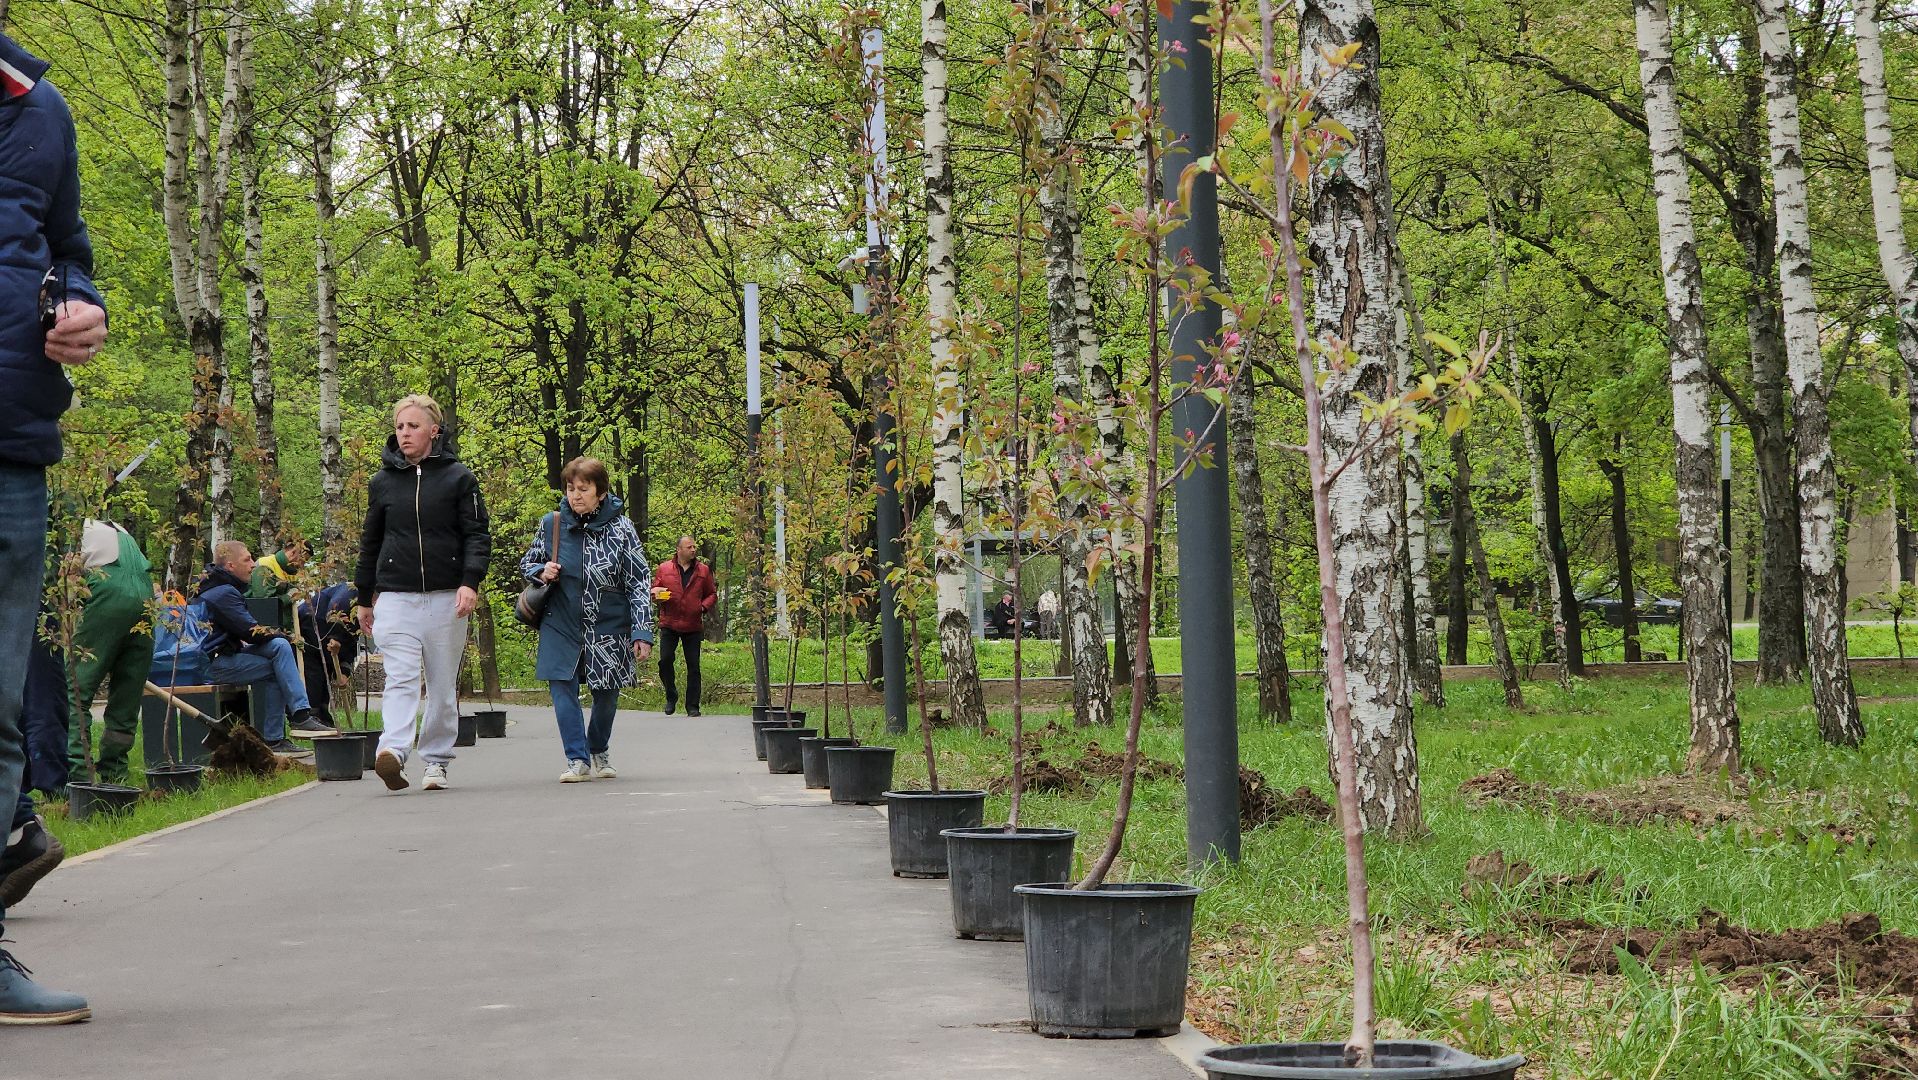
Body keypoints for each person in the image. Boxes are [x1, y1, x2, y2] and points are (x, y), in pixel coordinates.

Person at [0, 29, 110, 1023]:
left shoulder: (40, 108)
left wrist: (82, 304)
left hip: (10, 445)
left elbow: (66, 251)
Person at [355, 394, 491, 793]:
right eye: (399, 427)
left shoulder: (459, 478)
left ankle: (436, 760)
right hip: (396, 596)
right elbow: (371, 541)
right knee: (399, 678)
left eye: (413, 426)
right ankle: (393, 752)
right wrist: (365, 596)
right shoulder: (382, 482)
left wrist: (470, 582)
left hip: (446, 597)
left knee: (442, 683)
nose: (405, 433)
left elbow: (477, 536)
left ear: (434, 430)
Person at [521, 457, 654, 782]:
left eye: (584, 489)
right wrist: (542, 570)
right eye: (570, 488)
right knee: (561, 687)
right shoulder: (552, 524)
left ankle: (598, 749)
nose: (576, 495)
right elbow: (529, 562)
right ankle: (576, 759)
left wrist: (641, 630)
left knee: (607, 694)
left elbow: (638, 580)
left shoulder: (621, 528)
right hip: (560, 621)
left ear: (601, 492)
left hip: (607, 623)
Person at [196, 542, 331, 751]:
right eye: (247, 559)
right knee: (279, 656)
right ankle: (291, 724)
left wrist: (281, 637)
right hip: (212, 664)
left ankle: (294, 720)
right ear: (230, 566)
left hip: (225, 654)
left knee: (278, 646)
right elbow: (251, 632)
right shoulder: (222, 592)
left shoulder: (223, 587)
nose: (253, 564)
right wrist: (286, 635)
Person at [65, 519, 155, 784]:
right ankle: (116, 774)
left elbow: (60, 576)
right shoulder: (120, 531)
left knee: (76, 689)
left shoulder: (72, 527)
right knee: (127, 693)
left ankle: (79, 774)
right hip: (147, 598)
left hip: (108, 595)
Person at [654, 535, 715, 717]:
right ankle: (671, 696)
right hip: (669, 622)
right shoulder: (664, 569)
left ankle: (692, 706)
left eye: (694, 547)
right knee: (664, 661)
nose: (693, 550)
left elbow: (712, 594)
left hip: (693, 624)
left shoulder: (703, 570)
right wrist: (656, 595)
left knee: (693, 667)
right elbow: (655, 589)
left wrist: (702, 607)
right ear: (679, 550)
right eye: (689, 547)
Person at [297, 581, 357, 729]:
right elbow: (334, 611)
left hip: (327, 632)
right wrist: (336, 638)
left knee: (327, 670)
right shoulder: (349, 594)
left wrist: (344, 672)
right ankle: (312, 715)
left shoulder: (363, 614)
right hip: (311, 622)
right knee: (315, 672)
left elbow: (352, 640)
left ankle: (323, 712)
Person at [246, 539, 307, 629]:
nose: (302, 565)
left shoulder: (286, 570)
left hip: (280, 629)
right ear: (293, 553)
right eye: (302, 560)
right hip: (265, 631)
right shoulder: (265, 566)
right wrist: (289, 597)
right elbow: (264, 604)